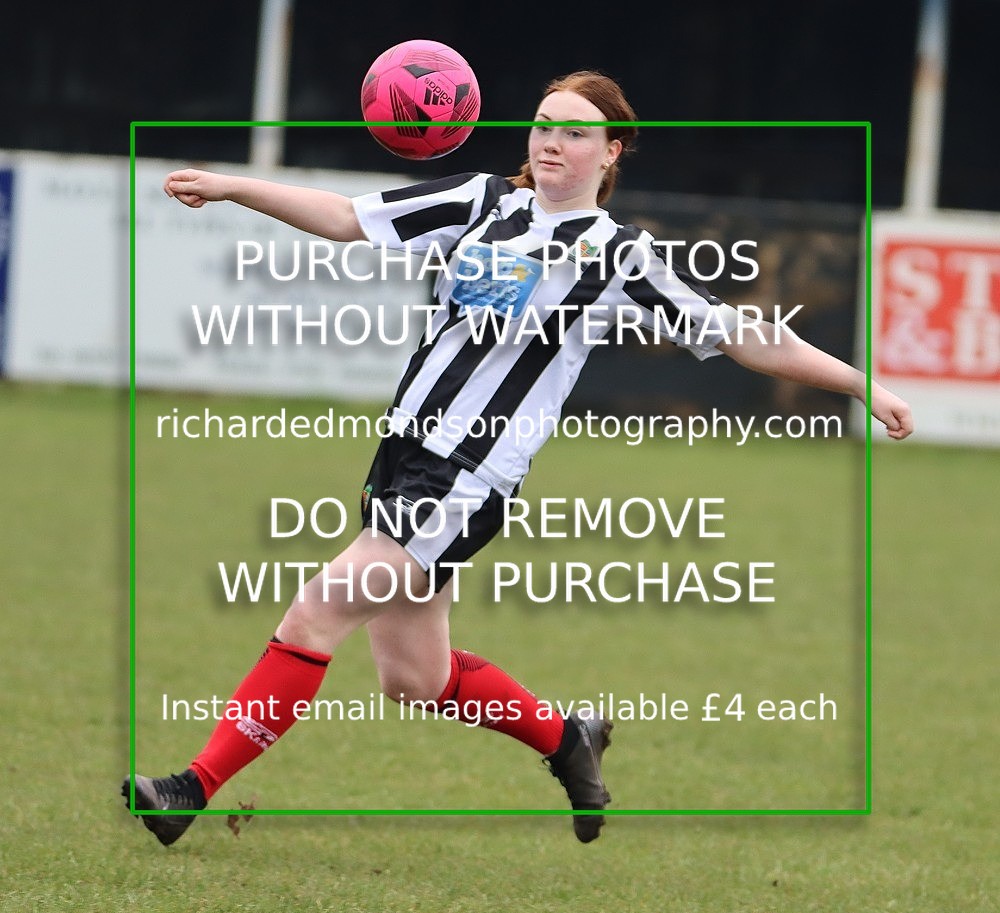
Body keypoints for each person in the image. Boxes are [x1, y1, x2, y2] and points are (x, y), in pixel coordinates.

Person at [122, 70, 914, 847]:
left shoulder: (618, 255)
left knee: (314, 613)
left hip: (466, 474)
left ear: (613, 152)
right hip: (403, 455)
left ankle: (190, 789)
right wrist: (232, 187)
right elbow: (344, 217)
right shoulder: (477, 202)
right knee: (414, 678)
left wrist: (859, 382)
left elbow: (741, 333)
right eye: (542, 125)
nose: (552, 142)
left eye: (576, 131)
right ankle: (569, 738)